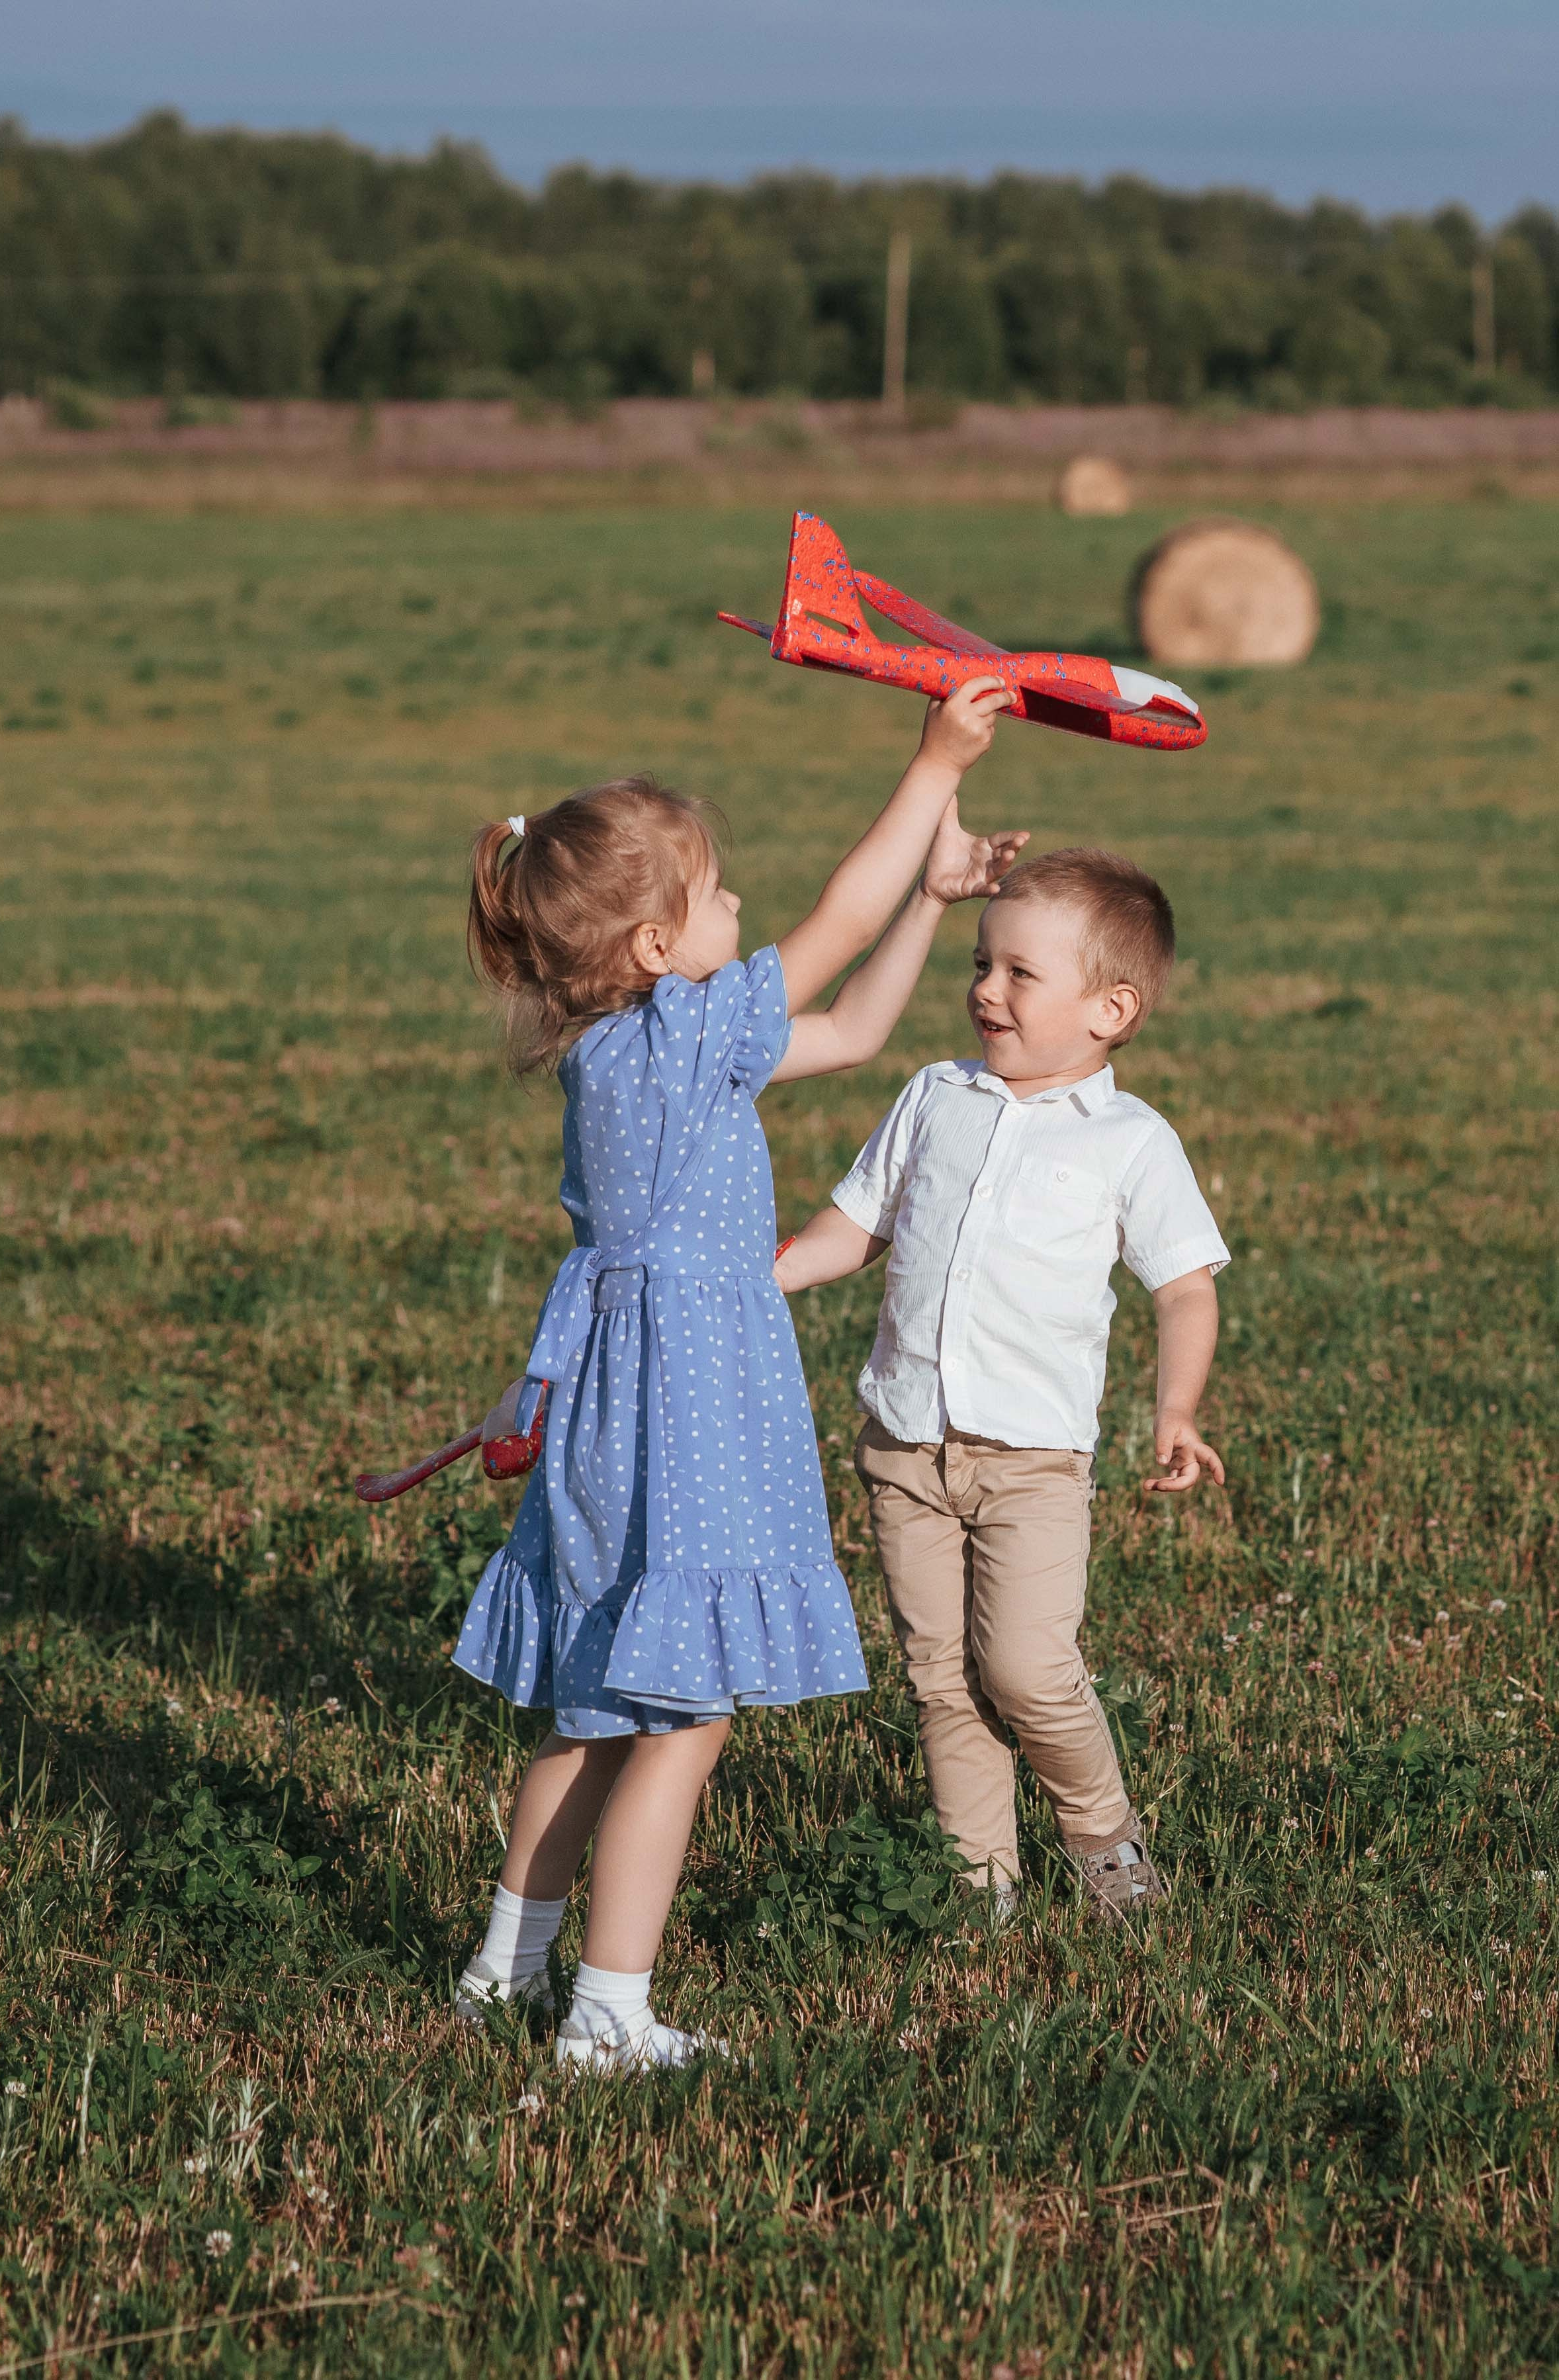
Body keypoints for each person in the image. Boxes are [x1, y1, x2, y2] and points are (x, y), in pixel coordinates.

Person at [453, 676, 1027, 2070]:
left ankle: (500, 1972)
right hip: (685, 1406)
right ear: (658, 945)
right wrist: (931, 764)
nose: (739, 910)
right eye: (716, 896)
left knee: (597, 1706)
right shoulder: (679, 1031)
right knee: (684, 1715)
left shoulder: (629, 1047)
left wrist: (933, 898)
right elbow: (832, 927)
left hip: (617, 1397)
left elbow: (850, 1031)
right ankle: (607, 2013)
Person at [774, 847, 1230, 1921]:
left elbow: (1184, 1289)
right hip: (903, 1446)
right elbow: (857, 1224)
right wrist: (770, 1270)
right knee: (942, 1680)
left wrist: (1174, 1410)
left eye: (1021, 973)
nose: (986, 988)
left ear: (1110, 1009)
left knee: (1024, 1668)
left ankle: (1102, 1835)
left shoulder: (1129, 1141)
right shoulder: (934, 1096)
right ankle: (979, 1888)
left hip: (1031, 1463)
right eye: (982, 964)